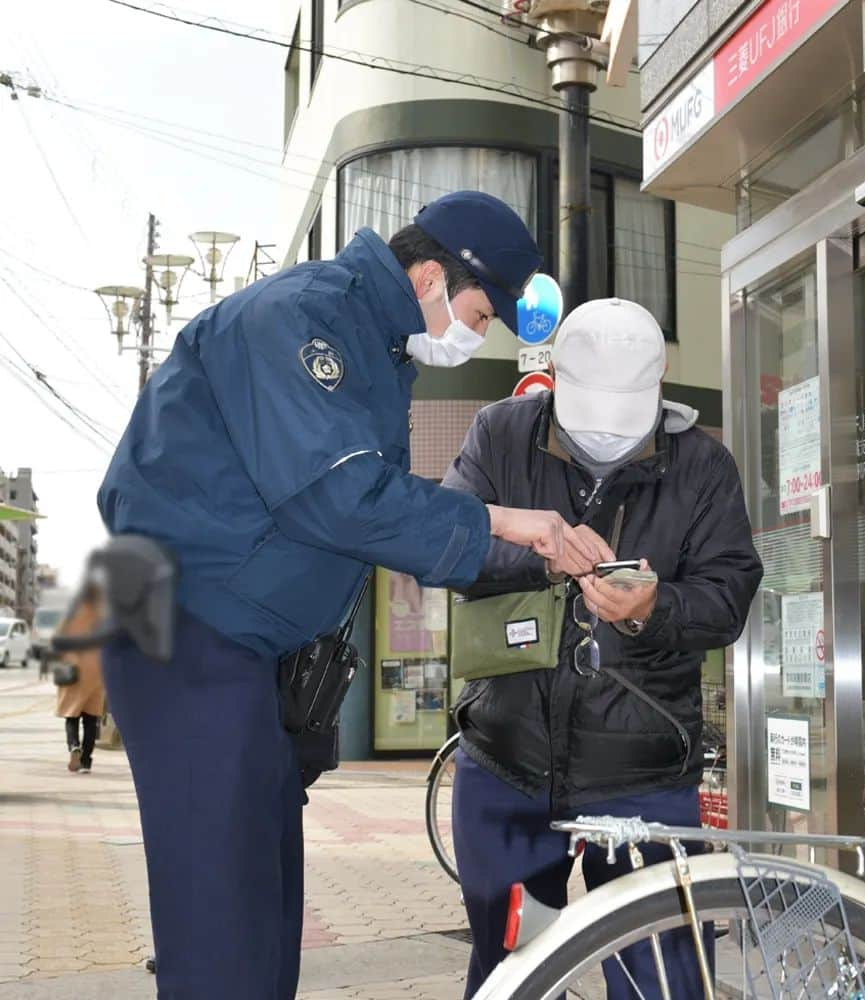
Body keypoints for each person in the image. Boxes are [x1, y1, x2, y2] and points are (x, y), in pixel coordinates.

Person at [95, 191, 600, 1000]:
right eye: (475, 311)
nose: (471, 334)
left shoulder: (373, 346)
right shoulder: (304, 317)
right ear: (429, 275)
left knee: (263, 920)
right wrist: (507, 521)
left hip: (244, 652)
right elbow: (338, 498)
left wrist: (529, 551)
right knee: (222, 932)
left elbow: (367, 517)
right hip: (190, 634)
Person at [442, 297, 764, 998]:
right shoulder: (500, 434)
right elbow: (443, 552)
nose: (606, 439)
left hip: (647, 774)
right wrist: (542, 559)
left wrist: (656, 606)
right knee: (508, 973)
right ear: (554, 374)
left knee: (662, 979)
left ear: (662, 377)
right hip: (508, 761)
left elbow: (731, 594)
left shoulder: (703, 465)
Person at [53, 586, 106, 774]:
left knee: (72, 715)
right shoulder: (102, 613)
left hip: (73, 667)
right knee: (91, 720)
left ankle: (74, 746)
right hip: (96, 669)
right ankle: (85, 762)